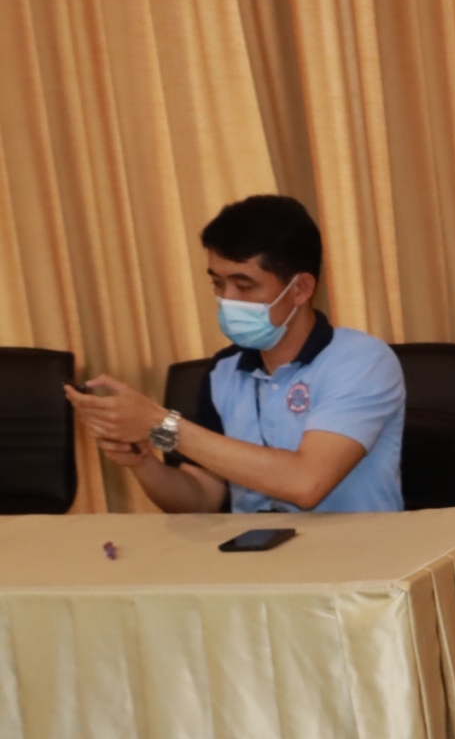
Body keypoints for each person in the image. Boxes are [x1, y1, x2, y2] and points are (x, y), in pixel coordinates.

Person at [64, 195, 405, 514]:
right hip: (257, 552)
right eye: (218, 284)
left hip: (355, 552)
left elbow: (306, 483)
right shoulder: (223, 371)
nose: (227, 299)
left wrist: (159, 423)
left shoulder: (361, 360)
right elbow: (202, 498)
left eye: (244, 286)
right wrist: (142, 460)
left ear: (300, 288)